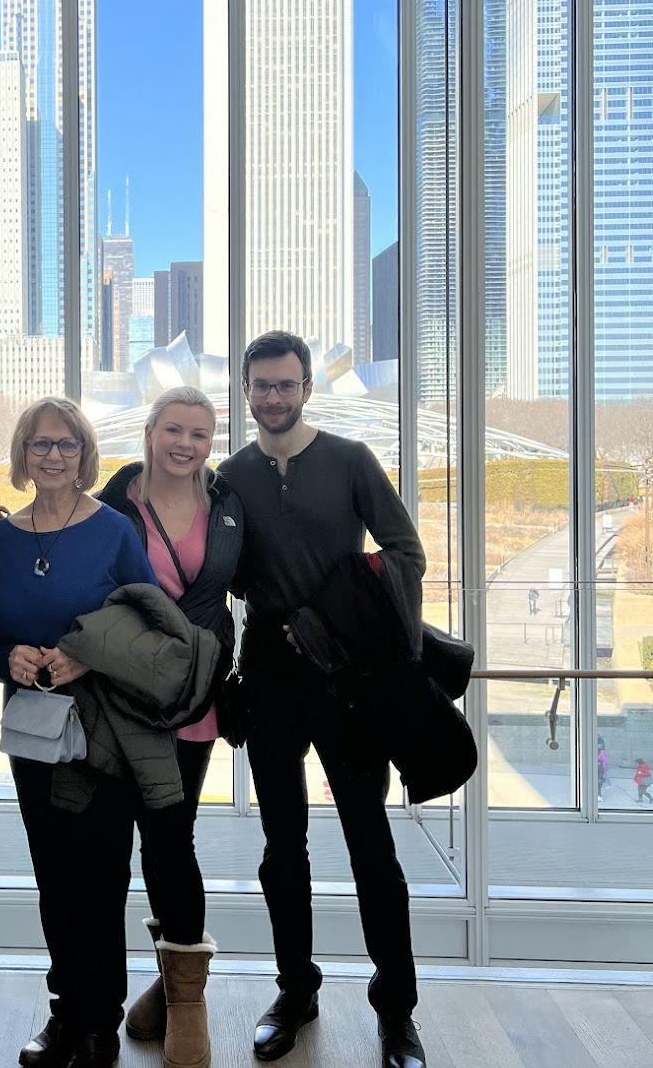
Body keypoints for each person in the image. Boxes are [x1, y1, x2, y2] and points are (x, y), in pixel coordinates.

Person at [219, 331, 429, 1068]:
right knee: (282, 848)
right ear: (244, 391)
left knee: (371, 845)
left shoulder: (348, 460)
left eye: (285, 384)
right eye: (261, 385)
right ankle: (294, 991)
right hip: (272, 671)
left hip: (348, 675)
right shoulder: (232, 474)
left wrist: (347, 608)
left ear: (307, 387)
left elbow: (407, 550)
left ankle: (396, 1010)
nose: (273, 396)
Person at [0, 397, 156, 1068]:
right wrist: (9, 658)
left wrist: (88, 653)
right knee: (53, 874)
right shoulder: (0, 539)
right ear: (22, 454)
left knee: (101, 872)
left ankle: (98, 1020)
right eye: (38, 444)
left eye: (64, 444)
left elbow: (146, 620)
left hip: (103, 727)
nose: (51, 456)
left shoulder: (113, 530)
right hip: (33, 728)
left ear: (84, 455)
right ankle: (65, 1013)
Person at [95, 386, 244, 1067]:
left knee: (168, 839)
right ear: (149, 431)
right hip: (119, 699)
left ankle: (186, 997)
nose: (185, 444)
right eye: (173, 430)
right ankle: (122, 993)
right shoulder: (110, 501)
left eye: (200, 434)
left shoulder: (229, 508)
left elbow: (268, 582)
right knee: (109, 845)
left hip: (194, 700)